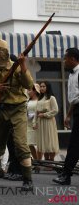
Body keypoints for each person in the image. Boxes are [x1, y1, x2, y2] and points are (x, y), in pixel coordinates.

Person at [0, 38, 34, 191]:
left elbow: (29, 85)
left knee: (20, 145)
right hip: (1, 110)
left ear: (3, 52)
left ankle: (27, 179)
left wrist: (23, 64)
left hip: (17, 109)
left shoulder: (16, 67)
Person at [53, 47, 79, 185]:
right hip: (76, 110)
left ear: (73, 59)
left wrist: (69, 114)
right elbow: (74, 98)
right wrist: (69, 115)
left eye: (66, 58)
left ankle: (66, 175)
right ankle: (65, 174)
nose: (64, 61)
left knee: (74, 145)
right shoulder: (71, 74)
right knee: (75, 145)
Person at [36, 81, 59, 164]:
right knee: (44, 142)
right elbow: (37, 111)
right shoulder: (39, 98)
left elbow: (55, 110)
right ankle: (46, 162)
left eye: (43, 86)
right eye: (41, 86)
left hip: (49, 122)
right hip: (41, 122)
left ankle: (51, 162)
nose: (41, 88)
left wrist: (45, 114)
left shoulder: (51, 98)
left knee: (50, 141)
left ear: (47, 87)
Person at [27, 83, 40, 160]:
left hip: (37, 124)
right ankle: (36, 160)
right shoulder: (28, 101)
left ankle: (39, 161)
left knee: (39, 144)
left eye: (29, 90)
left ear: (35, 91)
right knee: (29, 143)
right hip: (28, 124)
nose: (28, 92)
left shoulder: (39, 101)